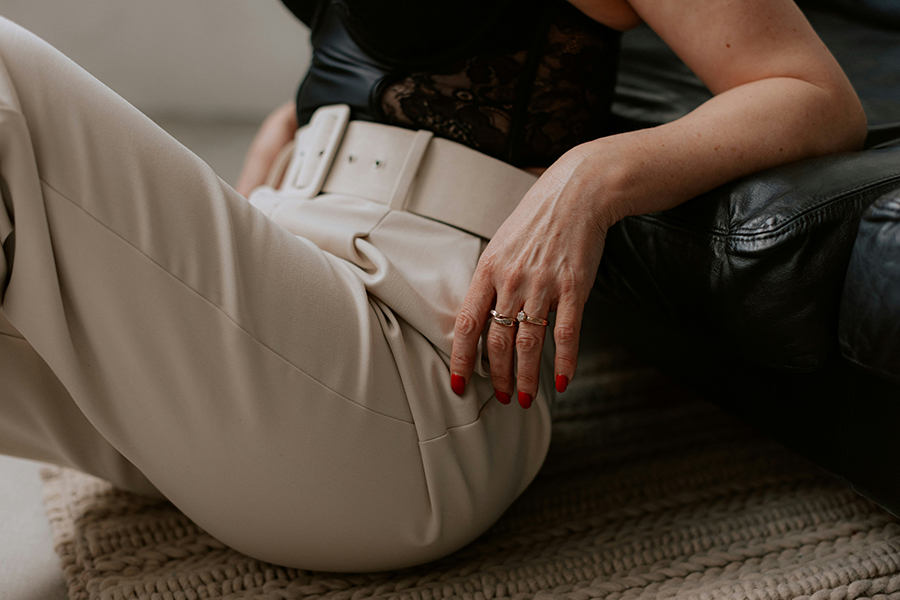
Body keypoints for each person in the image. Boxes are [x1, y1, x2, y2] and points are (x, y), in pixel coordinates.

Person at [0, 0, 865, 574]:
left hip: (410, 380)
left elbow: (811, 93)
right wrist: (299, 142)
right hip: (281, 342)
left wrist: (590, 178)